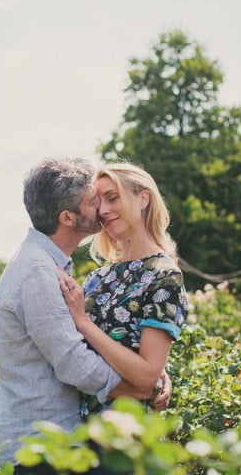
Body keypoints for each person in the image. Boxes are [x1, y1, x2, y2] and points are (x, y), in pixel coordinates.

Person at [0, 158, 169, 474]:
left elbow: (96, 340)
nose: (101, 207)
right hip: (37, 452)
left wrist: (149, 369)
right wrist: (141, 386)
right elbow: (75, 362)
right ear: (68, 218)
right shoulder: (37, 272)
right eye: (92, 201)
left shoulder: (50, 264)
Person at [58, 162, 188, 415]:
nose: (103, 211)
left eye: (112, 198)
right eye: (98, 203)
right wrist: (157, 371)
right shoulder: (98, 277)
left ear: (143, 199)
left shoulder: (164, 275)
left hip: (126, 435)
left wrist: (83, 322)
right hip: (78, 430)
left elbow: (146, 376)